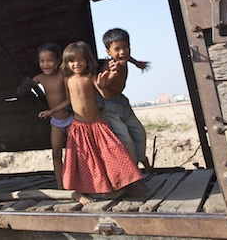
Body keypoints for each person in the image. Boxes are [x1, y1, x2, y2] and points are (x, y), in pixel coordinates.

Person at [60, 41, 143, 204]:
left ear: (87, 61)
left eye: (81, 60)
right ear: (67, 63)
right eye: (72, 61)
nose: (76, 64)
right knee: (81, 160)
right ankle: (78, 193)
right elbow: (68, 101)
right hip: (79, 127)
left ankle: (127, 183)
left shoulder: (90, 77)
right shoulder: (67, 80)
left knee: (115, 151)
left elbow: (105, 95)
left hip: (97, 124)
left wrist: (102, 85)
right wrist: (53, 111)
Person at [98, 28, 151, 171]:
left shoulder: (124, 59)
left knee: (139, 132)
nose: (122, 52)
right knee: (125, 139)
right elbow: (103, 87)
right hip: (108, 106)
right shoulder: (109, 67)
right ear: (108, 52)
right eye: (117, 49)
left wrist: (137, 63)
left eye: (125, 47)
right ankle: (132, 169)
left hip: (122, 102)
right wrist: (111, 76)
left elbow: (127, 57)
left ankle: (142, 158)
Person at [24, 43, 72, 190]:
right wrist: (24, 87)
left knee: (75, 154)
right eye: (42, 61)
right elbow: (25, 87)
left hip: (70, 120)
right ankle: (61, 188)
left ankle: (78, 185)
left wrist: (52, 111)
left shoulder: (63, 76)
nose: (45, 64)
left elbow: (70, 100)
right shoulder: (40, 78)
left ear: (58, 61)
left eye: (49, 60)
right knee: (56, 154)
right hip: (56, 123)